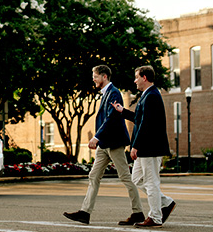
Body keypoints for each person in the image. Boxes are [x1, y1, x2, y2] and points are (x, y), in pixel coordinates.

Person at [63, 65, 144, 226]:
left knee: (125, 177)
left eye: (95, 76)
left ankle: (138, 212)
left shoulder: (114, 93)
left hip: (114, 143)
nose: (93, 78)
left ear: (104, 76)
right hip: (104, 145)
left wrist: (96, 137)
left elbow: (112, 117)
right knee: (94, 176)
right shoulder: (106, 93)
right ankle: (85, 213)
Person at [112, 65, 177, 228]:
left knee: (151, 182)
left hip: (150, 148)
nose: (135, 81)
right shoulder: (147, 95)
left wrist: (136, 146)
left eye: (136, 77)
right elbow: (140, 119)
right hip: (146, 148)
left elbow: (146, 124)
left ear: (144, 78)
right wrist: (123, 111)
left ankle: (155, 217)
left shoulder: (152, 96)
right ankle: (166, 203)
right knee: (137, 179)